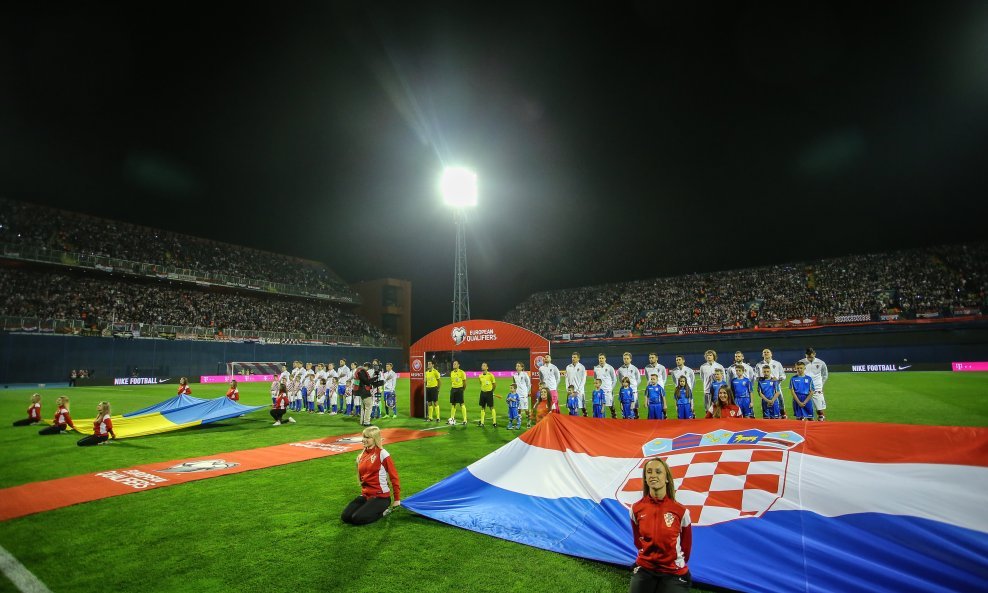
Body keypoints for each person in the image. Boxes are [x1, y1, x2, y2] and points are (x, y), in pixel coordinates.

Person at [629, 457, 692, 592]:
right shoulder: (635, 509)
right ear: (645, 478)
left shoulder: (681, 511)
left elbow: (686, 548)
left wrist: (672, 562)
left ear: (667, 478)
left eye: (658, 472)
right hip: (646, 568)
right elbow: (638, 541)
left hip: (673, 572)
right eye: (649, 472)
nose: (653, 475)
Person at [341, 426, 401, 526]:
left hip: (381, 497)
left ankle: (384, 512)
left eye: (367, 437)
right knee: (346, 517)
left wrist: (397, 499)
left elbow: (394, 476)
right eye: (363, 437)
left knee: (357, 518)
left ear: (375, 439)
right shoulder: (361, 456)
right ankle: (368, 506)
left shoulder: (383, 454)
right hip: (366, 495)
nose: (364, 440)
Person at [754, 349, 787, 419]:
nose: (766, 353)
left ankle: (782, 414)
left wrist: (777, 379)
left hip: (776, 387)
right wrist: (761, 378)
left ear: (771, 354)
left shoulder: (777, 364)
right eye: (764, 352)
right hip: (764, 388)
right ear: (762, 355)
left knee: (780, 401)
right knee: (765, 403)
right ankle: (767, 416)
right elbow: (755, 376)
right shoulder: (758, 365)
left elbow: (783, 376)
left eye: (767, 352)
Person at [798, 347, 829, 421]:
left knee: (820, 410)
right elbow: (798, 375)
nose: (810, 359)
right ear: (805, 355)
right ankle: (805, 424)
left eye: (811, 357)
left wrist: (821, 384)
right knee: (803, 407)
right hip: (804, 388)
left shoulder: (821, 362)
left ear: (815, 354)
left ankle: (821, 421)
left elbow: (825, 375)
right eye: (808, 357)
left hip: (817, 388)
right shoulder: (801, 362)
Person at [618, 352, 641, 419]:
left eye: (627, 358)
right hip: (625, 391)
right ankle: (625, 419)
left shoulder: (634, 368)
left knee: (634, 407)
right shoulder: (620, 369)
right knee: (624, 407)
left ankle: (636, 419)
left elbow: (638, 379)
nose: (626, 360)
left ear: (630, 359)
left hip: (633, 391)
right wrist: (625, 387)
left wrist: (634, 387)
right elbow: (620, 380)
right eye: (624, 358)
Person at [595, 353, 618, 419]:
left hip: (608, 390)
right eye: (600, 358)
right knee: (601, 406)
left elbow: (614, 379)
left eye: (602, 358)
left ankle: (614, 417)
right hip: (600, 391)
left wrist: (611, 389)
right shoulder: (596, 368)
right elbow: (595, 378)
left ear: (605, 359)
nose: (601, 359)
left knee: (611, 406)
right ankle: (602, 420)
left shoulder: (610, 367)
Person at [354, 362, 376, 427]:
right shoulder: (362, 371)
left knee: (363, 407)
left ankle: (362, 421)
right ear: (367, 367)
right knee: (368, 406)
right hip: (364, 391)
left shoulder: (358, 370)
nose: (368, 370)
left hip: (360, 391)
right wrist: (374, 379)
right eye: (368, 368)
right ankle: (366, 422)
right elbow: (366, 381)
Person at [477, 362, 497, 427]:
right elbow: (481, 383)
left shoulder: (491, 375)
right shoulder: (480, 376)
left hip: (489, 393)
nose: (482, 367)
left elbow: (494, 384)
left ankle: (494, 422)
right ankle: (482, 422)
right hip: (482, 393)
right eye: (482, 365)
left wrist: (491, 391)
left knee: (491, 407)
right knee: (483, 407)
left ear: (487, 367)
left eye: (484, 365)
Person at [448, 360, 468, 425]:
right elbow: (452, 382)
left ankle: (465, 419)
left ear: (458, 365)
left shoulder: (462, 372)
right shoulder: (451, 373)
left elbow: (464, 383)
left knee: (461, 404)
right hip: (453, 389)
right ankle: (452, 418)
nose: (454, 365)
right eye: (453, 364)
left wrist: (462, 390)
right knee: (453, 404)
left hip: (459, 389)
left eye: (455, 364)